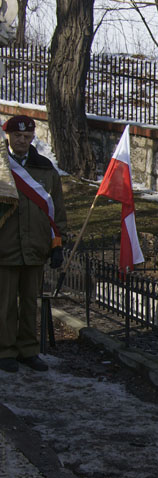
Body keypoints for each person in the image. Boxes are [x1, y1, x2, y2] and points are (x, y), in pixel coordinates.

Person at [0, 115, 66, 373]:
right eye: (17, 136)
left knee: (30, 303)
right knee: (5, 305)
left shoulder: (45, 168)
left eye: (27, 137)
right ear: (8, 136)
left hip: (36, 247)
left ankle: (28, 350)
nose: (22, 140)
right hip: (5, 247)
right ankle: (5, 350)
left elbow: (56, 211)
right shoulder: (1, 166)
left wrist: (57, 244)